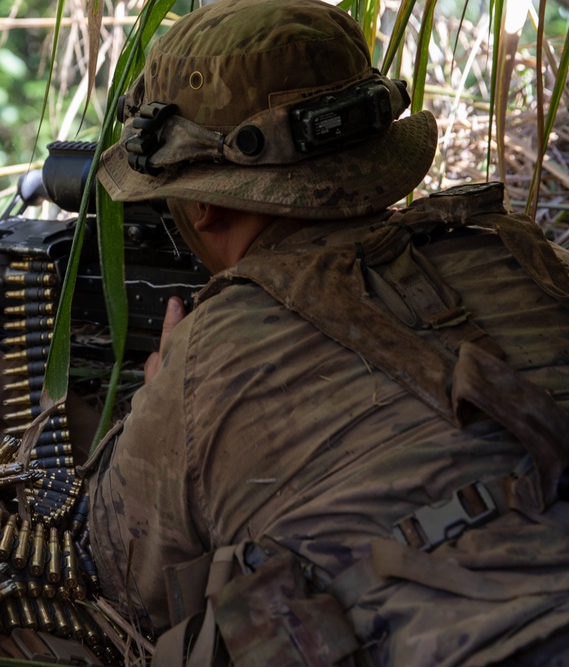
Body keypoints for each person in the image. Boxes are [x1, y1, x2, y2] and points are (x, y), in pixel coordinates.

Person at [81, 0, 569, 665]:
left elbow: (125, 580)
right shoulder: (520, 252)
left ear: (200, 202)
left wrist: (162, 393)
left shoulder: (204, 358)